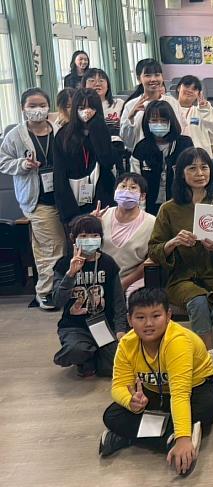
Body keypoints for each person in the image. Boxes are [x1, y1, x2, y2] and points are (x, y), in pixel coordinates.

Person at [148, 148, 213, 378]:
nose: (199, 173)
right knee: (198, 302)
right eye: (192, 168)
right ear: (181, 173)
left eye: (204, 167)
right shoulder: (168, 209)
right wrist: (173, 243)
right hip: (184, 276)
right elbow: (154, 248)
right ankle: (207, 351)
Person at [99, 288, 213, 477]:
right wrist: (130, 400)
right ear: (129, 319)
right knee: (112, 415)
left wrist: (182, 438)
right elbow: (118, 385)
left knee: (205, 411)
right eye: (140, 317)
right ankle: (169, 438)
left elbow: (180, 394)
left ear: (168, 315)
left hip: (196, 389)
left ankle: (133, 436)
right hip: (156, 392)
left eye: (156, 316)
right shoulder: (127, 344)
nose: (148, 324)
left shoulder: (178, 341)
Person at [0, 88, 66, 309]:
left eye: (42, 105)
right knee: (52, 247)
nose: (38, 110)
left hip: (62, 197)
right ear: (23, 108)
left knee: (56, 245)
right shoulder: (15, 135)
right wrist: (22, 164)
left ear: (49, 107)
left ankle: (60, 288)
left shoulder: (58, 130)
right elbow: (3, 162)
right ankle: (46, 292)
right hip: (37, 200)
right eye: (32, 106)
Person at [52, 214, 127, 376]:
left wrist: (120, 329)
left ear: (101, 238)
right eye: (83, 236)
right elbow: (57, 301)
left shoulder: (108, 263)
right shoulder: (63, 264)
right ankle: (86, 356)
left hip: (104, 325)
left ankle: (94, 355)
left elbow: (119, 301)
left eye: (94, 235)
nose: (89, 240)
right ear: (73, 239)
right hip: (75, 326)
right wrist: (70, 274)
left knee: (119, 366)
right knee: (75, 350)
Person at [54, 88, 120, 224]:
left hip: (103, 195)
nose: (86, 111)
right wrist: (68, 213)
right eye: (81, 108)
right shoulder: (63, 135)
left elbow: (108, 161)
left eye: (91, 107)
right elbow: (59, 174)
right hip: (74, 196)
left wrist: (97, 130)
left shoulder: (104, 130)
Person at [130, 101, 194, 215]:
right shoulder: (141, 148)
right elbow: (136, 182)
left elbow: (191, 177)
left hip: (180, 204)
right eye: (154, 120)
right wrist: (141, 213)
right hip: (149, 205)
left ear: (171, 122)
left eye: (163, 120)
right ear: (147, 122)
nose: (159, 124)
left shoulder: (185, 144)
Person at [100, 173, 156, 299]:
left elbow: (151, 260)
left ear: (142, 196)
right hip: (100, 277)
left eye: (133, 187)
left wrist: (124, 283)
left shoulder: (152, 223)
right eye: (123, 186)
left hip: (134, 279)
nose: (127, 191)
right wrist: (90, 222)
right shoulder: (102, 215)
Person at [120, 59, 187, 152]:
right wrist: (130, 118)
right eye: (148, 75)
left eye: (157, 75)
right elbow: (127, 142)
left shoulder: (172, 102)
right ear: (139, 79)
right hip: (142, 155)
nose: (153, 79)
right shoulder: (131, 105)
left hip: (171, 154)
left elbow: (181, 130)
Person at [175, 75, 213, 157]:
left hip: (199, 157)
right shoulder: (169, 108)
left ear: (199, 94)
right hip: (176, 156)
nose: (190, 90)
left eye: (194, 89)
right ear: (178, 88)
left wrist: (205, 111)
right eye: (187, 86)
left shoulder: (202, 110)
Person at [82, 68, 125, 147]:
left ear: (108, 85)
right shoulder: (80, 108)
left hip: (116, 146)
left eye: (101, 80)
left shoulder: (119, 104)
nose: (97, 84)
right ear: (84, 86)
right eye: (92, 81)